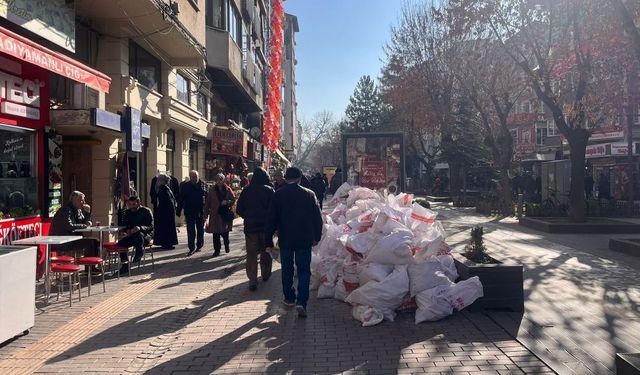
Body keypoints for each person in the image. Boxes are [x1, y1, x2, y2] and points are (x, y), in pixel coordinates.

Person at [265, 167, 323, 318]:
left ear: (285, 178)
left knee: (287, 269)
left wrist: (268, 240)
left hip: (286, 238)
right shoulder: (309, 194)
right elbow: (317, 218)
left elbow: (271, 219)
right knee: (304, 270)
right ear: (299, 178)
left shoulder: (278, 195)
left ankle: (289, 297)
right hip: (304, 238)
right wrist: (317, 236)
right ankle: (301, 302)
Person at [236, 167, 274, 291]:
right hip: (266, 228)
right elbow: (275, 210)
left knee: (251, 255)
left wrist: (247, 216)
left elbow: (239, 210)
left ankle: (252, 280)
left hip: (251, 228)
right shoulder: (269, 191)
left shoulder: (246, 191)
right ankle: (265, 274)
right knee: (266, 252)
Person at [49, 191, 98, 258]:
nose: (84, 203)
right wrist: (85, 225)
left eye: (84, 200)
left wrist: (88, 213)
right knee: (91, 243)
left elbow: (84, 223)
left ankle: (90, 266)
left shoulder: (78, 210)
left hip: (71, 238)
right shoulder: (66, 210)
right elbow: (69, 226)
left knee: (95, 242)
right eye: (81, 200)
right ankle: (90, 266)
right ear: (74, 201)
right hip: (62, 241)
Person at [117, 196, 153, 274]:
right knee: (121, 244)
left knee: (138, 234)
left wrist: (140, 228)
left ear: (139, 203)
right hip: (132, 236)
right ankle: (125, 266)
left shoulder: (146, 211)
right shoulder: (127, 212)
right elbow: (125, 225)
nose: (132, 206)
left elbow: (151, 226)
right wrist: (126, 231)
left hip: (145, 236)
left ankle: (139, 252)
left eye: (134, 204)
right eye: (130, 204)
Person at [178, 170, 208, 256]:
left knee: (200, 230)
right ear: (190, 177)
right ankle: (191, 247)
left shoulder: (204, 185)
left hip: (200, 211)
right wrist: (178, 210)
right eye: (192, 177)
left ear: (198, 177)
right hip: (189, 211)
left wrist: (208, 211)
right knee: (191, 230)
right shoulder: (185, 186)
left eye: (195, 177)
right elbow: (181, 199)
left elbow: (208, 198)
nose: (193, 179)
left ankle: (199, 245)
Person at [205, 173, 235, 257]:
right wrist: (205, 215)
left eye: (220, 179)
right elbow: (207, 203)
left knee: (225, 233)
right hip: (215, 214)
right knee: (215, 234)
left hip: (224, 214)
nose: (218, 181)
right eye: (217, 180)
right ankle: (216, 250)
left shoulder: (228, 189)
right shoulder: (212, 190)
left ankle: (226, 244)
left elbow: (233, 199)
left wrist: (227, 202)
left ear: (223, 180)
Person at [153, 173, 178, 249]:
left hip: (167, 212)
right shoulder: (163, 188)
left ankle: (167, 243)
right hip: (166, 213)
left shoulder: (164, 188)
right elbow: (166, 201)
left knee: (167, 228)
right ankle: (167, 244)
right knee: (167, 228)